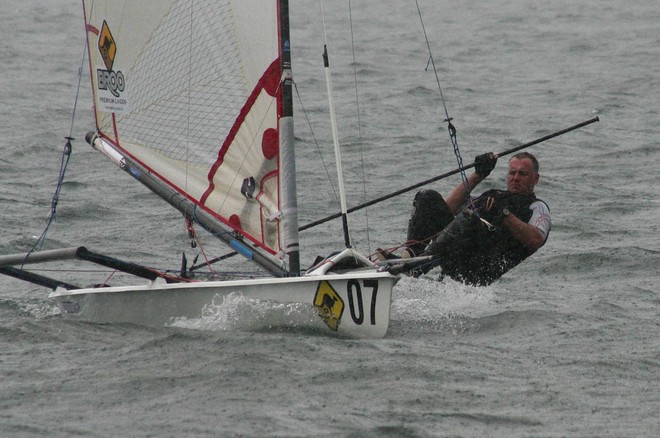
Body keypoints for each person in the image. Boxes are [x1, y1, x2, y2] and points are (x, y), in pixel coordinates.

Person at [388, 151, 551, 286]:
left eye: (522, 174)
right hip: (454, 254)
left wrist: (504, 215)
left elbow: (536, 239)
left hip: (478, 270)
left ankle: (417, 266)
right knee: (427, 198)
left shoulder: (537, 207)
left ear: (535, 179)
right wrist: (478, 174)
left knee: (474, 212)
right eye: (512, 173)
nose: (515, 178)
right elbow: (447, 208)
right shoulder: (493, 196)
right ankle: (411, 256)